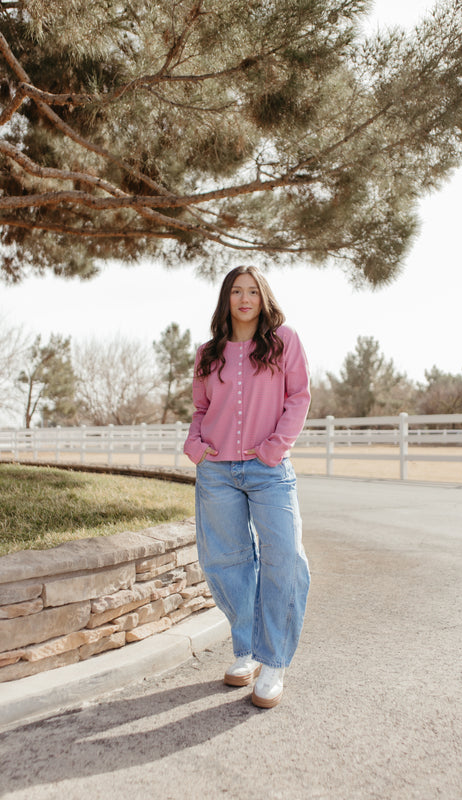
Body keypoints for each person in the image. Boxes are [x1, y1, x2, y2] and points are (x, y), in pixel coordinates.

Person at [184, 265, 311, 709]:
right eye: (236, 291)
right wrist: (194, 445)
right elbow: (201, 409)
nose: (244, 298)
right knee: (228, 561)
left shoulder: (283, 342)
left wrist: (275, 448)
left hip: (268, 469)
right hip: (217, 472)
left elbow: (299, 398)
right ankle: (246, 651)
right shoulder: (207, 353)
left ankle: (273, 661)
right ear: (226, 299)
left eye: (252, 291)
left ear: (263, 298)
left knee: (285, 557)